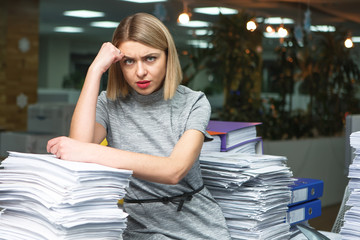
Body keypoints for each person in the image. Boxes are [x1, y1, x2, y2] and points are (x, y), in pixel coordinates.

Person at [47, 12, 231, 240]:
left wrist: (95, 152)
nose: (140, 72)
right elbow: (79, 149)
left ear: (167, 56)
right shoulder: (109, 103)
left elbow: (174, 170)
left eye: (150, 58)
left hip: (196, 227)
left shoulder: (194, 102)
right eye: (129, 61)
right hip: (137, 228)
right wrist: (95, 70)